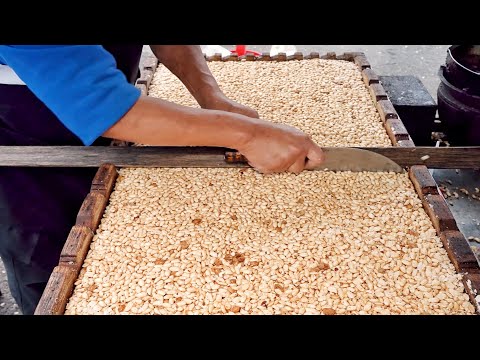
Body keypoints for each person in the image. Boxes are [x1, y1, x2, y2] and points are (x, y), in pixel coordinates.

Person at [0, 45, 324, 314]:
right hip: (23, 127)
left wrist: (211, 98)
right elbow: (103, 105)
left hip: (104, 94)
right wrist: (248, 135)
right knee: (51, 266)